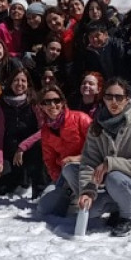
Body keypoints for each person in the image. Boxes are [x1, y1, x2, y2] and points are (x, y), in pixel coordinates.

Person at [71, 79, 131, 237]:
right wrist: (88, 191)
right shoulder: (97, 125)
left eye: (119, 97)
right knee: (71, 172)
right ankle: (116, 206)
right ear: (103, 98)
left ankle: (126, 218)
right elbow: (89, 161)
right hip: (108, 186)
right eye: (109, 97)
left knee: (114, 177)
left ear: (128, 98)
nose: (113, 102)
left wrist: (109, 164)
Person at [32, 86, 92, 215]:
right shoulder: (46, 131)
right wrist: (60, 183)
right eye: (46, 102)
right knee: (45, 208)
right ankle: (69, 195)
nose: (52, 105)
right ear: (41, 106)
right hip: (65, 177)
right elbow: (50, 161)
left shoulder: (81, 118)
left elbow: (99, 149)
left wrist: (76, 159)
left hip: (88, 171)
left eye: (56, 100)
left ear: (63, 102)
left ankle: (82, 198)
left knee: (69, 168)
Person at [0, 70, 43, 197]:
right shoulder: (3, 103)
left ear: (28, 83)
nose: (20, 83)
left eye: (23, 80)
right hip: (11, 149)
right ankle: (20, 177)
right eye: (16, 80)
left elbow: (43, 129)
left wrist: (23, 146)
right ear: (10, 83)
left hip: (31, 147)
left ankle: (36, 185)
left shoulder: (33, 101)